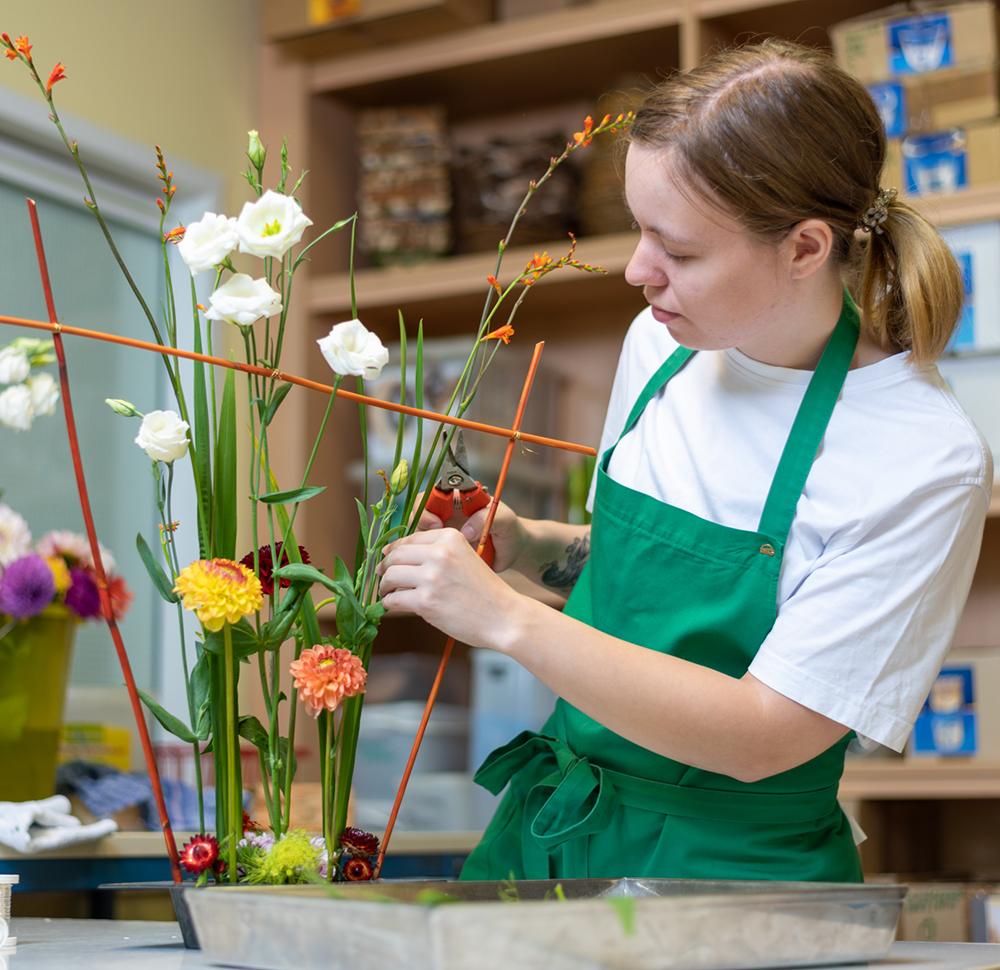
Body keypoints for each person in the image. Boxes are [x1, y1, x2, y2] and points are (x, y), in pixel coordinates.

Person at [375, 39, 993, 882]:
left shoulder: (919, 456)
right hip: (560, 824)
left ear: (806, 247)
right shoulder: (661, 345)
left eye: (681, 250)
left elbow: (764, 733)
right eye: (638, 229)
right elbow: (634, 574)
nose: (637, 271)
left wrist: (506, 619)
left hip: (730, 873)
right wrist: (526, 548)